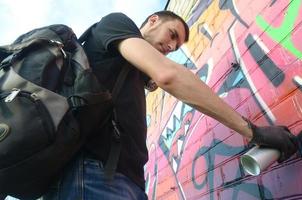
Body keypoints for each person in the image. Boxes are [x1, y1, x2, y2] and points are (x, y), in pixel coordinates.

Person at [42, 11, 298, 200]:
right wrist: (254, 132)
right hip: (94, 175)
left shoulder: (130, 71)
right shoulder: (116, 23)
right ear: (153, 21)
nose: (172, 46)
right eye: (172, 35)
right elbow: (169, 75)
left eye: (177, 46)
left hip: (118, 179)